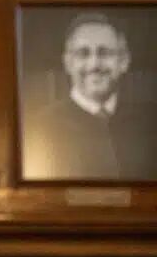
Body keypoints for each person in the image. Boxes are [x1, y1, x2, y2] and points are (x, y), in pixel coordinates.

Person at [27, 12, 155, 179]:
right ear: (68, 63)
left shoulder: (150, 122)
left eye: (105, 53)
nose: (94, 65)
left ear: (123, 61)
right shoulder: (40, 126)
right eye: (83, 54)